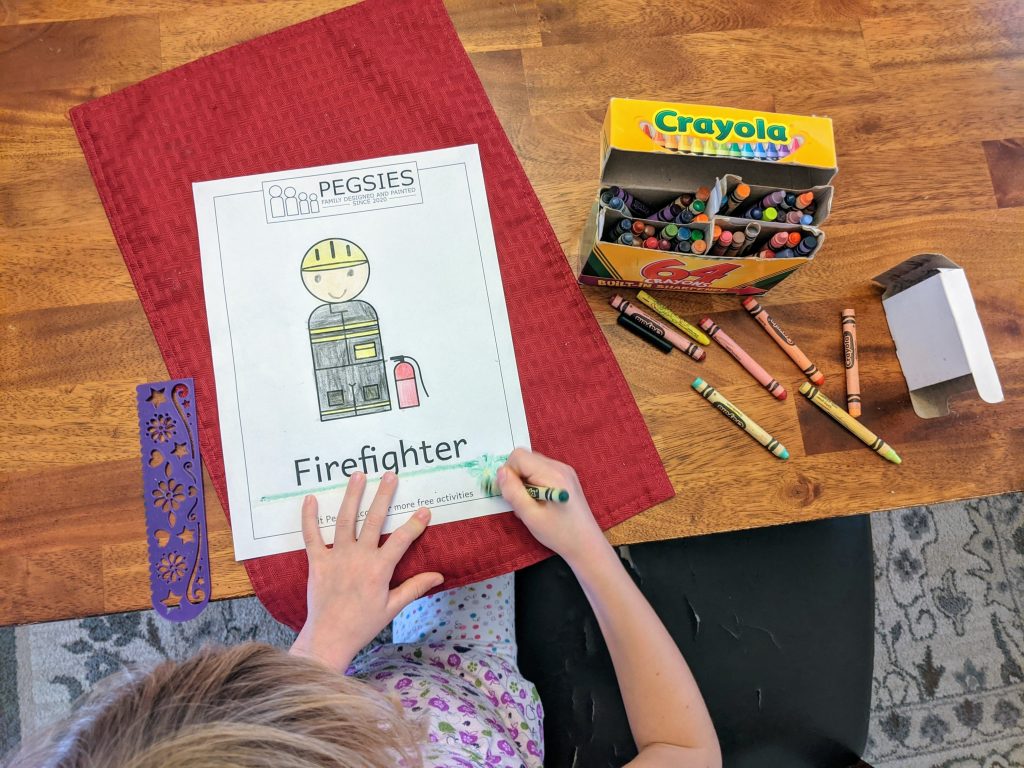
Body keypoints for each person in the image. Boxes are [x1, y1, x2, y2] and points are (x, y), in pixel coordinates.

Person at [8, 448, 721, 768]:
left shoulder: (266, 727)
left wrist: (320, 649)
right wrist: (586, 547)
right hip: (470, 683)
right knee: (475, 520)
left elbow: (257, 730)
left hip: (369, 663)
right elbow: (687, 752)